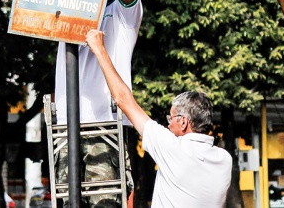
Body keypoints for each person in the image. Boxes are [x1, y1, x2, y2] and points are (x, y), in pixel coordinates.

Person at [84, 29, 232, 208]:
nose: (168, 124)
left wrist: (99, 49)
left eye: (171, 118)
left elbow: (124, 100)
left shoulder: (174, 148)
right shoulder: (224, 159)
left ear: (183, 121)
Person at [53, 0, 143, 208]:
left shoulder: (120, 15)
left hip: (104, 125)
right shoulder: (65, 18)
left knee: (105, 202)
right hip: (65, 127)